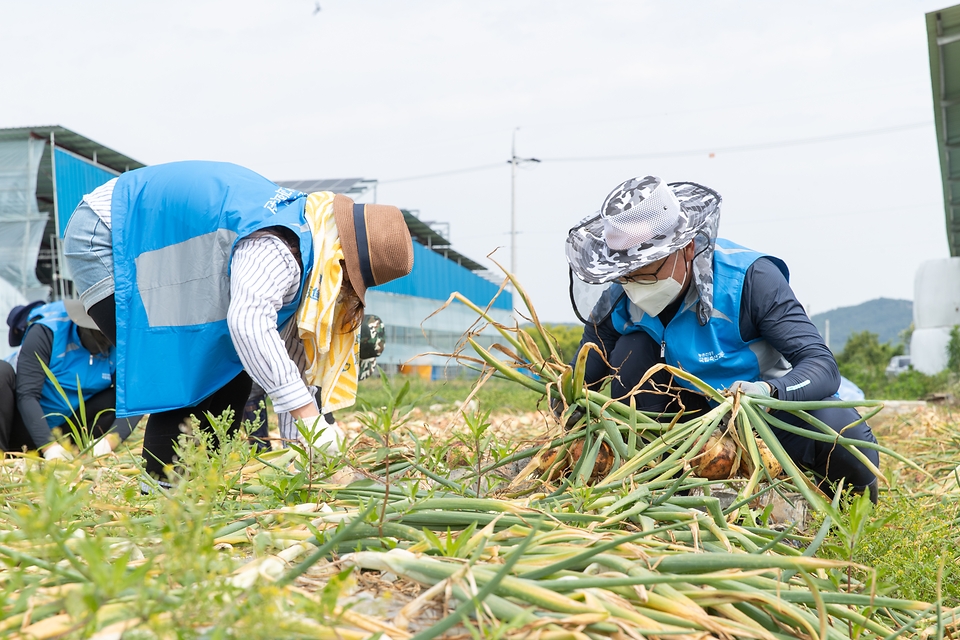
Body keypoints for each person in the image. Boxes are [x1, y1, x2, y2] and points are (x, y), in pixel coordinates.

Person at [62, 161, 413, 486]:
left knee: (227, 375)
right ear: (341, 264)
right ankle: (164, 502)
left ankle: (196, 492)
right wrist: (307, 415)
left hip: (144, 234)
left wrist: (306, 448)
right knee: (185, 373)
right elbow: (247, 325)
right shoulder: (281, 245)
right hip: (108, 232)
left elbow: (292, 359)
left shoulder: (311, 236)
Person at [565, 175, 880, 501]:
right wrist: (569, 407)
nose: (633, 282)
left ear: (685, 249)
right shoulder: (619, 298)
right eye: (625, 271)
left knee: (839, 428)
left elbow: (821, 366)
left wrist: (767, 392)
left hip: (763, 414)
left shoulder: (750, 279)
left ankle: (849, 509)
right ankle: (662, 490)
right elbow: (580, 378)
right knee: (632, 350)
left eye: (646, 269)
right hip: (685, 427)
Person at [0, 299, 140, 459]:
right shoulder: (47, 332)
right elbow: (27, 395)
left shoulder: (116, 346)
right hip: (21, 425)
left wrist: (108, 443)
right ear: (80, 323)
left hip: (64, 432)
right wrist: (49, 447)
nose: (104, 340)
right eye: (98, 332)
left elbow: (134, 399)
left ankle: (79, 455)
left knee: (120, 398)